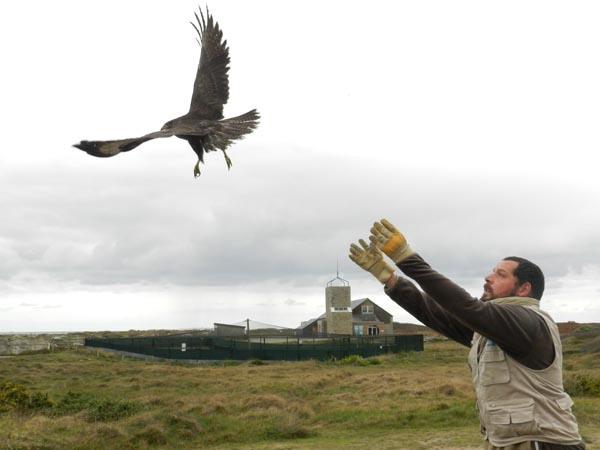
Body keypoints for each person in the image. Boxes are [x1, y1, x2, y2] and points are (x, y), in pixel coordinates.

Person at [349, 218, 585, 450]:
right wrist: (389, 278)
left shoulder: (528, 322)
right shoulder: (490, 329)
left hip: (544, 443)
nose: (488, 277)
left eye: (501, 275)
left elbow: (466, 307)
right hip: (505, 441)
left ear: (524, 288)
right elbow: (437, 314)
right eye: (492, 272)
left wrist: (406, 257)